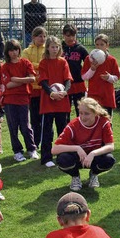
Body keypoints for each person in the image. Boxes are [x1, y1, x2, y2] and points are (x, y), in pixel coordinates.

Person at [52, 97, 115, 191]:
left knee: (109, 160)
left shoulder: (103, 122)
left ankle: (94, 174)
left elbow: (110, 146)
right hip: (77, 158)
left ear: (95, 113)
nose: (82, 117)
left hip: (93, 158)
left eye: (87, 114)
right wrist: (77, 148)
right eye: (80, 113)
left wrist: (93, 153)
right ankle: (75, 177)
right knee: (62, 159)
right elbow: (54, 150)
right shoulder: (73, 125)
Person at [1, 39, 39, 162]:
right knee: (13, 127)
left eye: (16, 49)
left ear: (19, 50)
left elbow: (32, 79)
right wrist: (24, 80)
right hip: (10, 100)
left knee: (25, 126)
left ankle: (32, 149)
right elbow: (8, 85)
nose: (14, 52)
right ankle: (17, 151)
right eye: (11, 50)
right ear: (7, 52)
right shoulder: (5, 66)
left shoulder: (25, 62)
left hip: (23, 98)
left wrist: (16, 79)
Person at [38, 36, 73, 168]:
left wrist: (65, 92)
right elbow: (43, 81)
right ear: (47, 48)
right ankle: (46, 157)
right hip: (48, 101)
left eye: (57, 47)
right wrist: (51, 93)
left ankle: (62, 155)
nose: (54, 49)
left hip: (62, 101)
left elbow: (68, 80)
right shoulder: (44, 63)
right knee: (47, 130)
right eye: (52, 47)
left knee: (62, 130)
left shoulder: (63, 62)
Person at [21, 27, 47, 149]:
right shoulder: (26, 51)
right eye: (39, 36)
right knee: (35, 118)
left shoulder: (48, 50)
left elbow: (47, 64)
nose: (42, 39)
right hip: (32, 89)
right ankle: (35, 142)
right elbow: (26, 64)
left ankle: (45, 141)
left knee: (45, 118)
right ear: (33, 37)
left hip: (45, 88)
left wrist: (35, 66)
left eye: (44, 36)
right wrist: (39, 66)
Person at [82, 34, 120, 115]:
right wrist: (92, 70)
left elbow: (117, 77)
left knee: (107, 120)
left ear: (107, 46)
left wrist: (109, 77)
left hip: (107, 95)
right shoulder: (89, 59)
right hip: (94, 95)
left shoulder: (111, 60)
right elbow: (84, 76)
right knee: (93, 120)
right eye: (97, 44)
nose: (99, 47)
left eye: (102, 44)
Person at [62, 24, 89, 116]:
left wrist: (84, 73)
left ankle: (80, 128)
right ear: (63, 35)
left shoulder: (80, 48)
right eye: (68, 35)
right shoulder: (59, 47)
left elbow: (89, 62)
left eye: (73, 35)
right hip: (64, 83)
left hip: (78, 82)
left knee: (80, 109)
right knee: (65, 110)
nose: (70, 38)